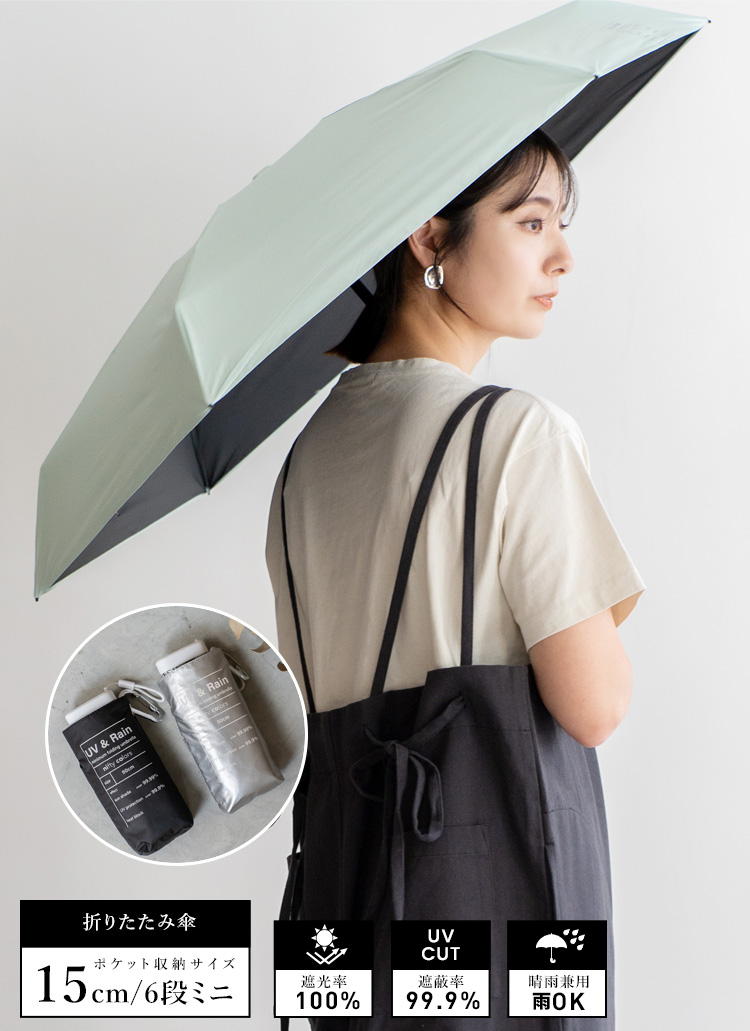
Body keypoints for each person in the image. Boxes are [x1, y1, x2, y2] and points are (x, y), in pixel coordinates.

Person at [265, 129, 645, 1028]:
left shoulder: (302, 465)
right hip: (489, 907)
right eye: (530, 222)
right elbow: (593, 705)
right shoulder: (515, 433)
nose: (562, 255)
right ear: (430, 237)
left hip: (338, 902)